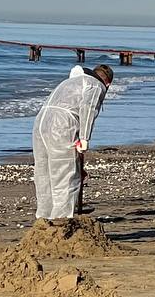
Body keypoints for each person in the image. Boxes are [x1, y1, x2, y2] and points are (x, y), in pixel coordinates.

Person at [33, 63, 113, 222]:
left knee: (44, 174)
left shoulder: (69, 82)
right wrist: (84, 138)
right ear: (108, 83)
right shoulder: (95, 85)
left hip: (40, 123)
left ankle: (43, 219)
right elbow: (88, 109)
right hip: (62, 126)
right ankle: (61, 223)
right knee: (65, 175)